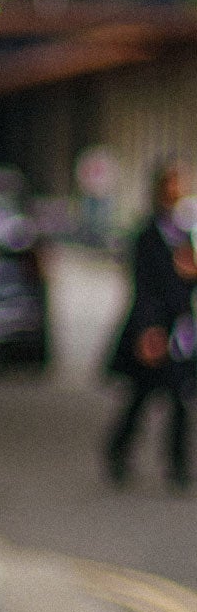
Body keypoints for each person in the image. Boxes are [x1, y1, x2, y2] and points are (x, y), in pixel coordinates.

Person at [104, 159, 196, 492]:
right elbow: (142, 287)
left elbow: (184, 287)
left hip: (178, 333)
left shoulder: (184, 236)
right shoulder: (147, 235)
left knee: (179, 400)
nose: (176, 190)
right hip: (153, 331)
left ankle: (178, 467)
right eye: (171, 183)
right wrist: (148, 330)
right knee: (140, 398)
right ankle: (117, 451)